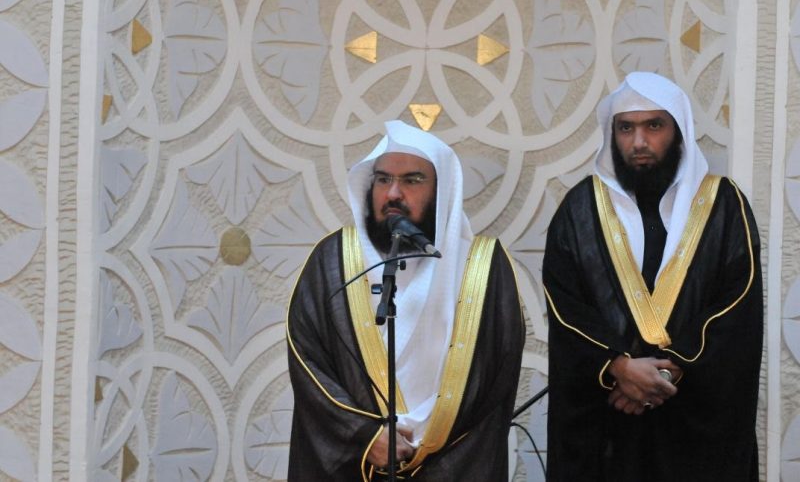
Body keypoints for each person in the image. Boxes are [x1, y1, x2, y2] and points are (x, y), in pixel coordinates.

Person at [543, 72, 763, 481]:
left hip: (694, 424)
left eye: (654, 126)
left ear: (678, 132)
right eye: (626, 128)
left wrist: (666, 372)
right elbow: (565, 308)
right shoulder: (580, 210)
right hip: (608, 422)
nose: (639, 142)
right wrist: (618, 367)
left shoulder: (723, 205)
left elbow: (737, 307)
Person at [286, 120, 525, 481]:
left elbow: (495, 381)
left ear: (441, 191)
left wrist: (435, 452)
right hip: (357, 464)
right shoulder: (332, 261)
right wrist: (365, 436)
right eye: (383, 180)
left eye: (412, 180)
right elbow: (308, 363)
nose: (393, 193)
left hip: (455, 465)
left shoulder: (483, 266)